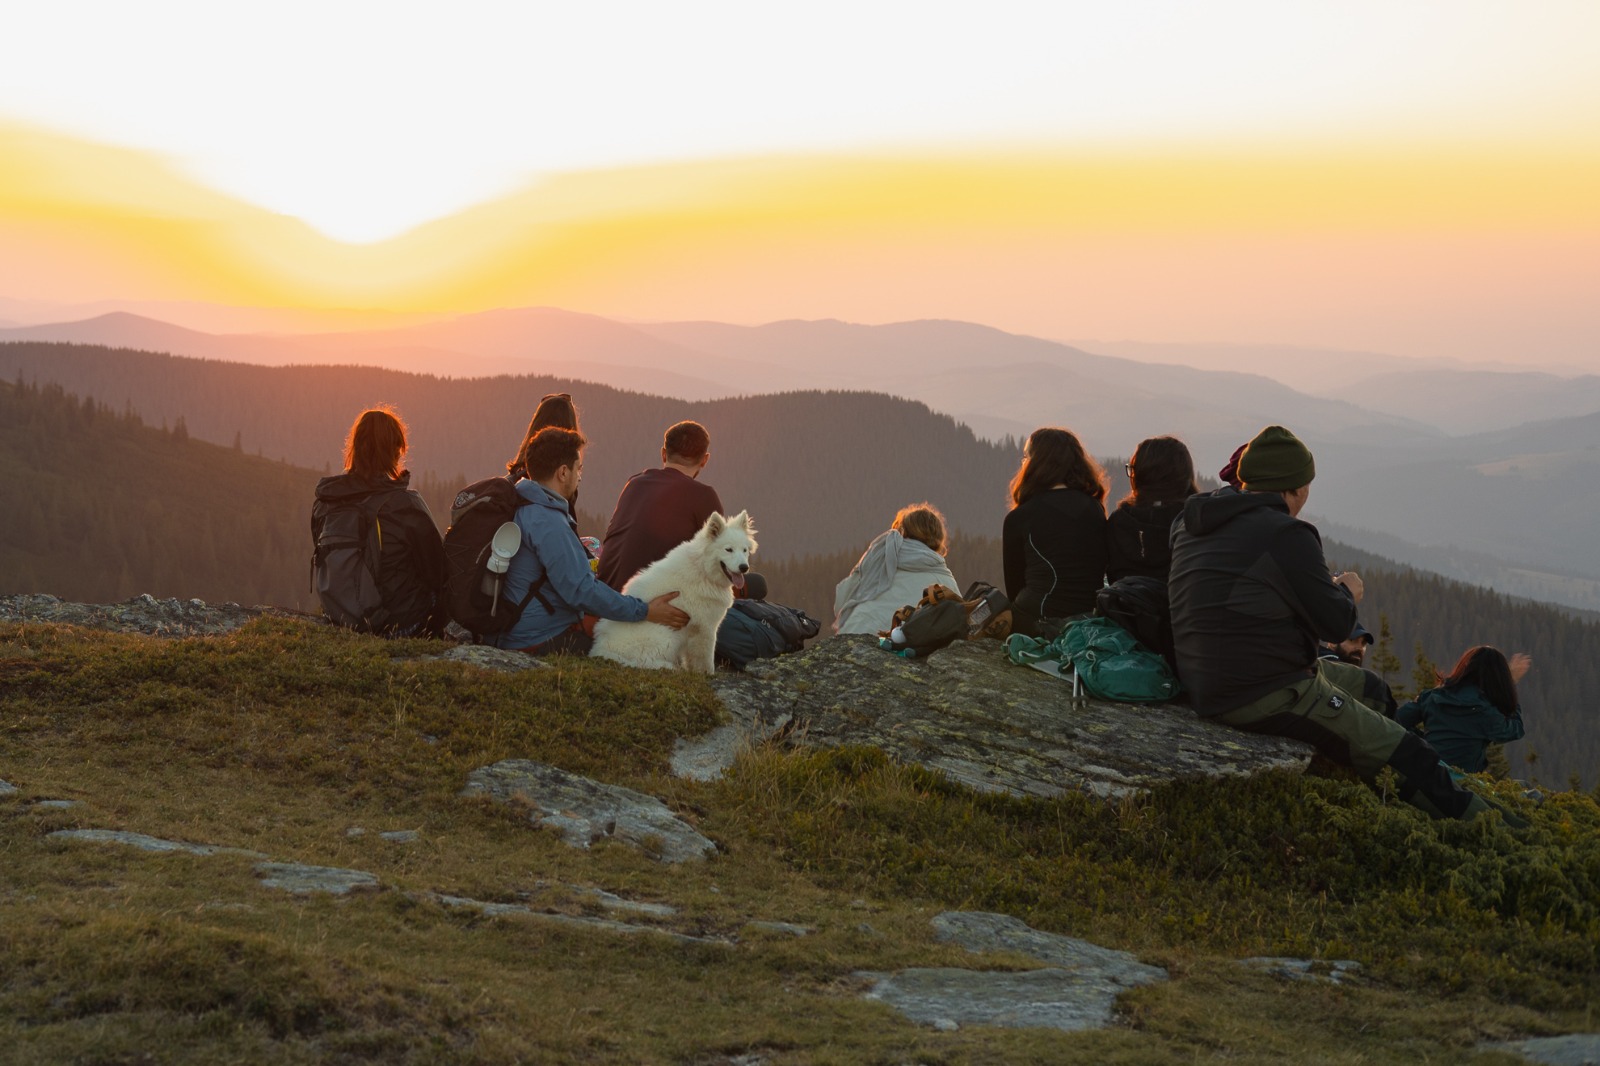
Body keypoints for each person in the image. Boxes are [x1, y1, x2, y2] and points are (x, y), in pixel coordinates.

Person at [1167, 425, 1500, 822]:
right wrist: (1348, 593)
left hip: (1209, 675)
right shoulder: (1287, 533)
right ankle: (1487, 825)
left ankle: (1418, 773)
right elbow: (1336, 623)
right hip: (1261, 689)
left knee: (1372, 690)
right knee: (1401, 750)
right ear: (1296, 489)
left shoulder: (1191, 522)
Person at [492, 428, 689, 656]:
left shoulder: (524, 501)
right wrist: (644, 611)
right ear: (563, 472)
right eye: (579, 468)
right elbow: (581, 591)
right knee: (632, 644)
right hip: (538, 638)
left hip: (520, 628)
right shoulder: (547, 521)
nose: (580, 476)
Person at [311, 407, 446, 635]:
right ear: (394, 451)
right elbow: (438, 572)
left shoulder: (326, 502)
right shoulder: (404, 504)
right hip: (398, 625)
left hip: (342, 618)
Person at [1002, 427, 1108, 638]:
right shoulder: (1094, 508)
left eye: (1026, 457)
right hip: (1088, 622)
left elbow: (1014, 587)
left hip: (1036, 622)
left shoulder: (1020, 517)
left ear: (1036, 462)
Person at [597, 421, 725, 590]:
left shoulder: (635, 483)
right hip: (653, 606)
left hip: (606, 594)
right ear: (704, 460)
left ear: (663, 454)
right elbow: (724, 561)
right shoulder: (704, 496)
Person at [1397, 646, 1530, 774]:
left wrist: (1425, 742)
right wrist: (1509, 685)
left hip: (1422, 772)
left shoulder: (1431, 697)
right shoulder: (1485, 714)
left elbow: (1397, 720)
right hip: (1459, 787)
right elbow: (1516, 729)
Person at [834, 503, 960, 635]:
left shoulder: (880, 562)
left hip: (855, 637)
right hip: (911, 648)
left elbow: (842, 601)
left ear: (903, 533)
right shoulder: (946, 580)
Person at [1106, 436, 1198, 583]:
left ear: (1140, 475)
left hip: (1124, 604)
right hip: (1179, 605)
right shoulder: (1196, 521)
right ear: (1184, 475)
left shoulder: (1119, 521)